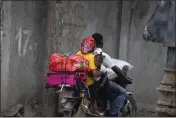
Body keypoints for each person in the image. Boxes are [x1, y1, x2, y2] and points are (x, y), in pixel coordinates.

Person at [92, 33, 127, 116]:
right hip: (99, 82)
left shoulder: (89, 53)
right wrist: (125, 78)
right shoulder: (102, 55)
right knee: (122, 92)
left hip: (90, 81)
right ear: (101, 42)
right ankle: (111, 113)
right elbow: (116, 70)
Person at [76, 36, 104, 114]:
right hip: (87, 83)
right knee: (97, 88)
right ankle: (94, 109)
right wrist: (102, 72)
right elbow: (94, 74)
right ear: (92, 47)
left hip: (77, 81)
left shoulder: (78, 53)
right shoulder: (91, 57)